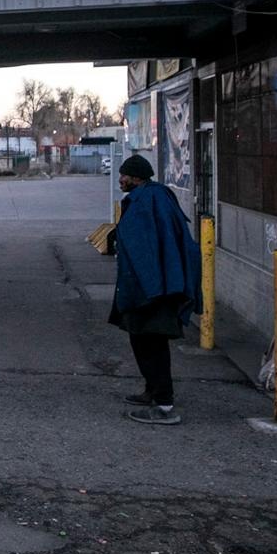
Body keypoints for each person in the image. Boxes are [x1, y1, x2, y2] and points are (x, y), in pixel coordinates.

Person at [108, 154, 203, 425]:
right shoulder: (157, 197)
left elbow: (145, 250)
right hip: (156, 287)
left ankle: (163, 405)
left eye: (124, 175)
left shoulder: (145, 203)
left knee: (151, 344)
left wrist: (148, 292)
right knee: (142, 340)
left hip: (153, 291)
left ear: (136, 178)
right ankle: (153, 391)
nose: (121, 179)